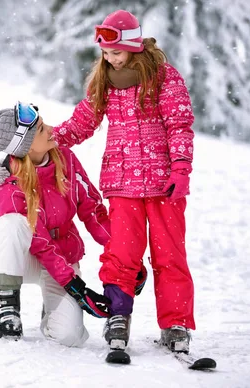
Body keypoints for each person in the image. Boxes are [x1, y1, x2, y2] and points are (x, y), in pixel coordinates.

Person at [52, 9, 196, 353]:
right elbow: (82, 123)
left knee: (169, 255)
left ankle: (175, 323)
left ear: (133, 46)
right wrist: (51, 140)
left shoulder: (164, 78)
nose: (109, 59)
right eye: (104, 53)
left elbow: (179, 126)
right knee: (121, 255)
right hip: (121, 183)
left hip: (164, 185)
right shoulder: (103, 81)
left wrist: (180, 169)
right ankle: (119, 315)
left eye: (115, 52)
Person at [0, 102, 142, 347]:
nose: (51, 129)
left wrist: (124, 254)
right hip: (24, 259)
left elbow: (92, 210)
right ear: (24, 147)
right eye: (41, 130)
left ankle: (51, 309)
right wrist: (75, 286)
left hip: (61, 257)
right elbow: (39, 243)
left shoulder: (66, 159)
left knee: (69, 336)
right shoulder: (11, 184)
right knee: (10, 225)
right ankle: (5, 307)